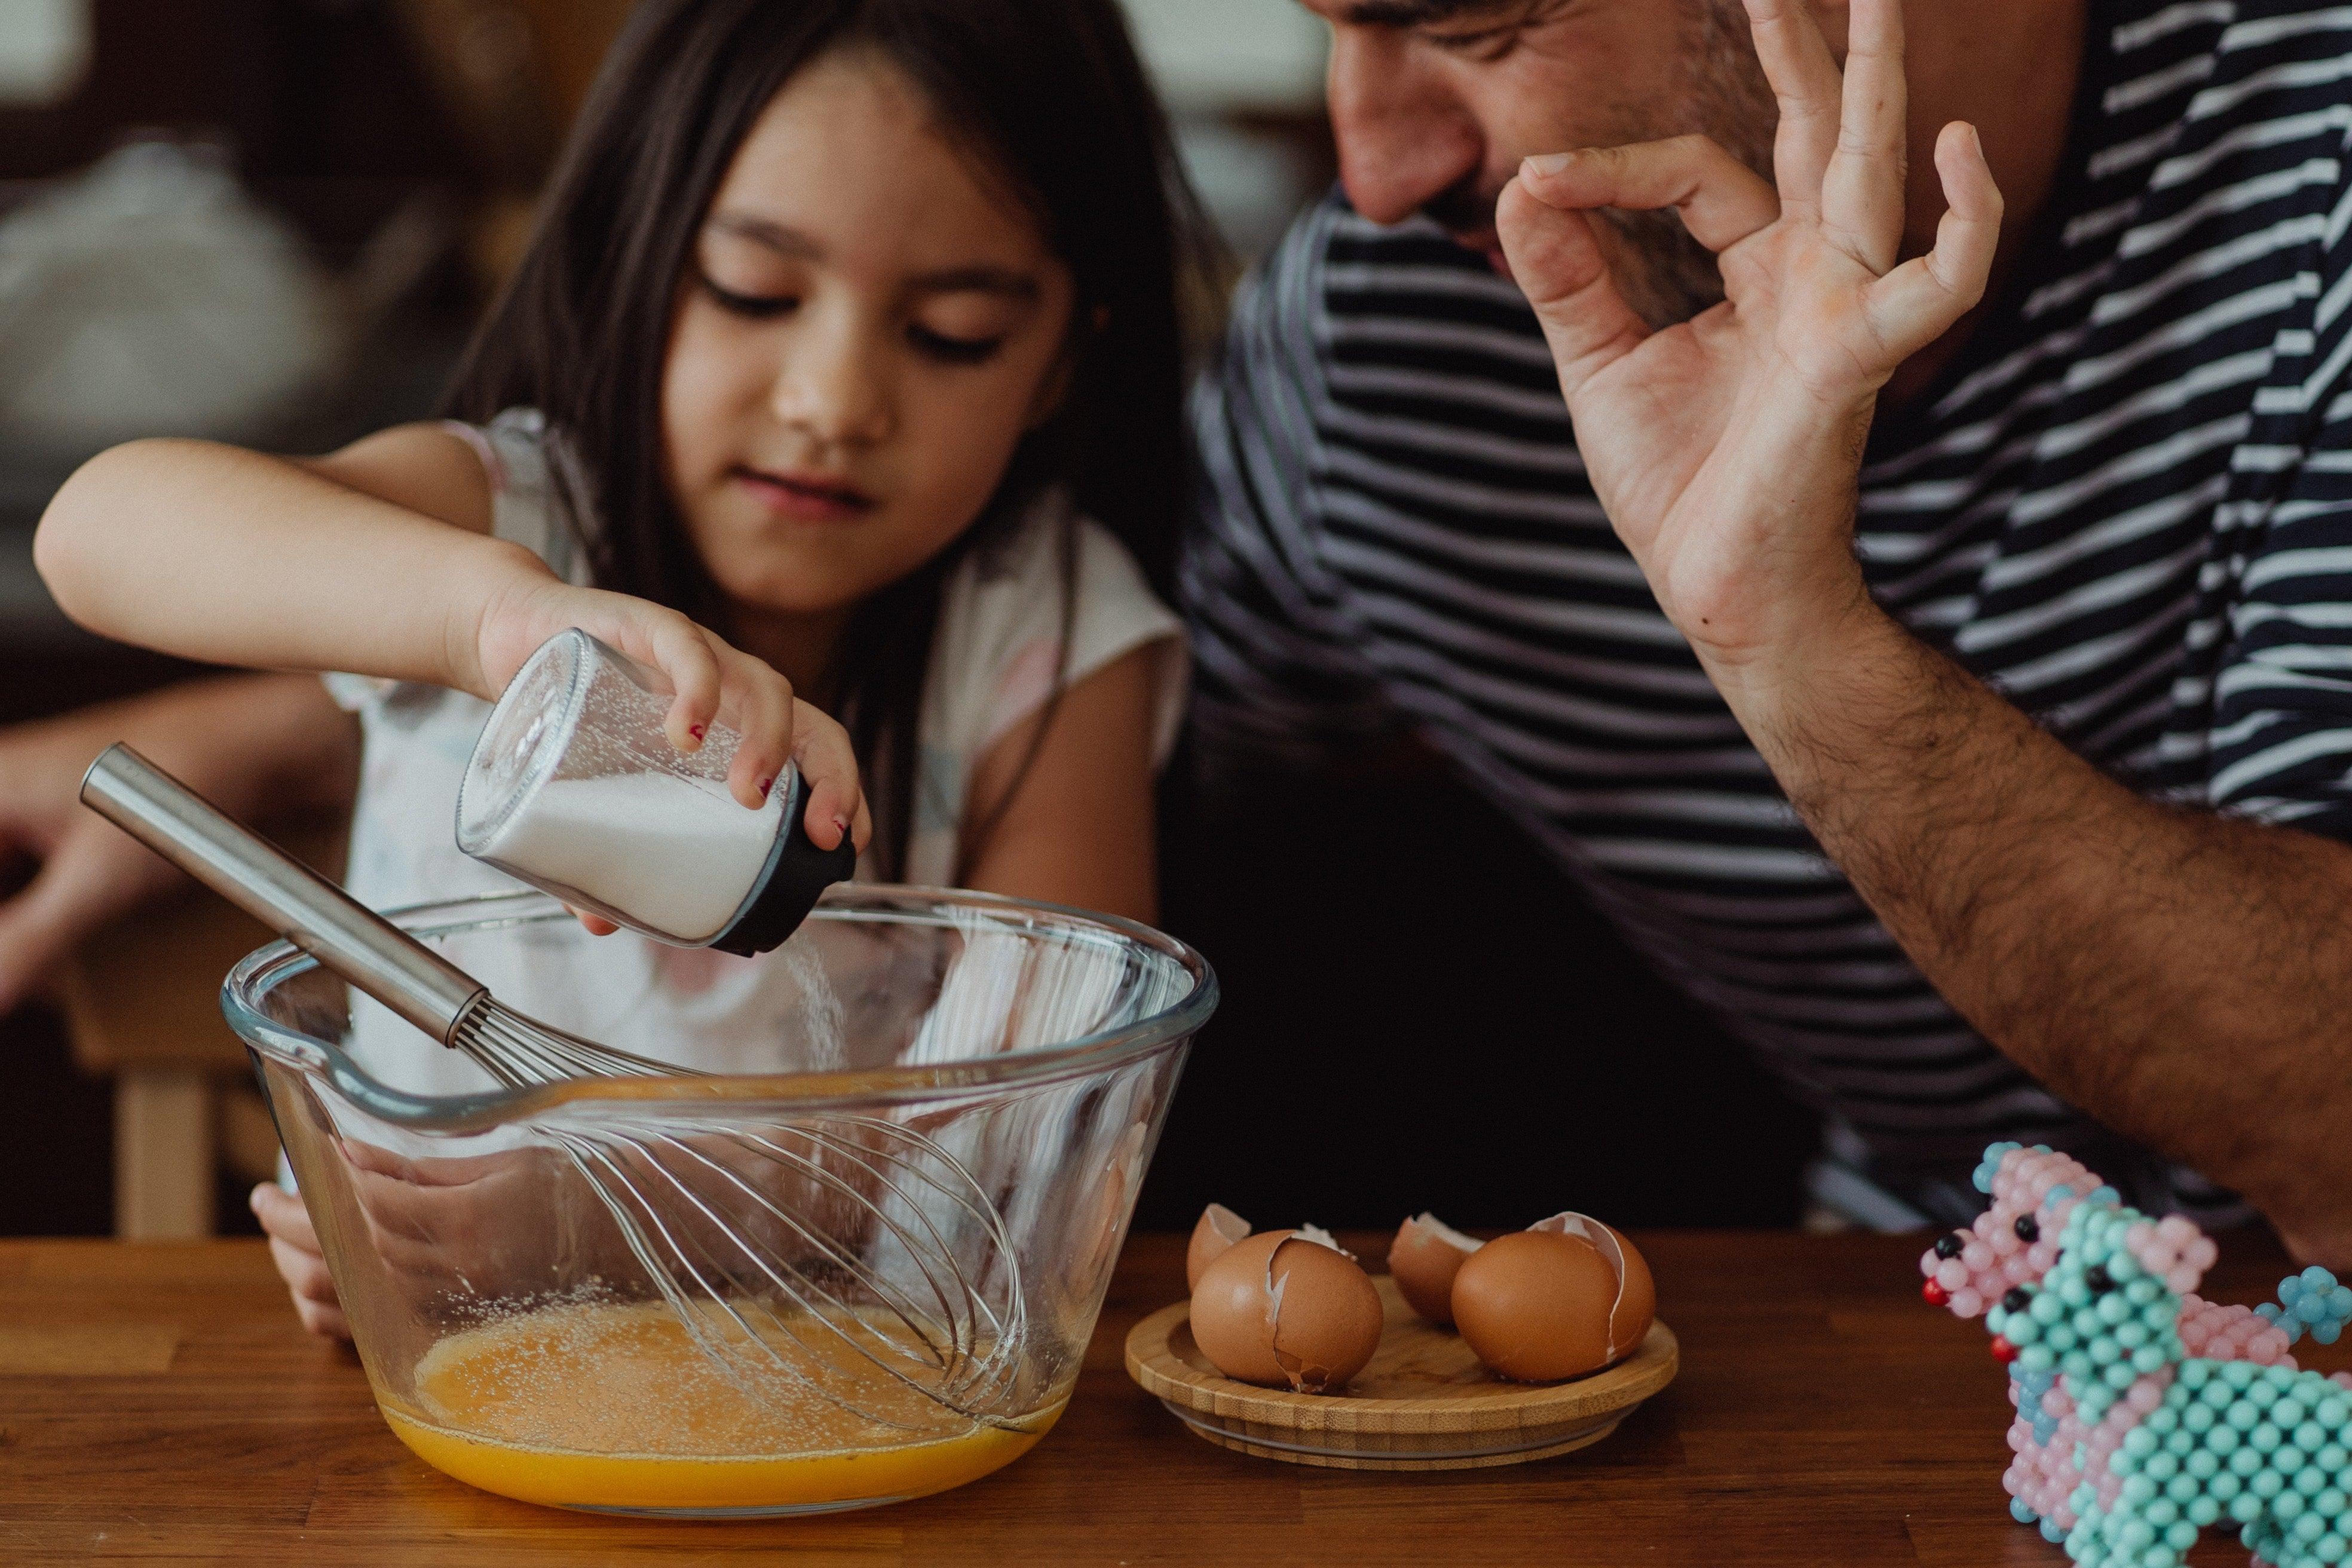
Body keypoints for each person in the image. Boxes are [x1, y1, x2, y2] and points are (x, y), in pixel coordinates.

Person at [29, 0, 1202, 1334]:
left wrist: (600, 1210)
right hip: (466, 1391)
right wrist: (492, 623)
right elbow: (99, 530)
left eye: (952, 333)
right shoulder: (512, 520)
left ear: (1062, 359)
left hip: (831, 1392)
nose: (831, 400)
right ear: (630, 256)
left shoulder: (1048, 639)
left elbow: (1037, 1125)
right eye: (756, 292)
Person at [1186, 0, 2352, 1261]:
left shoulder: (2315, 180)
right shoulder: (1386, 336)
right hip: (1905, 1331)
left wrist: (1797, 643)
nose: (1376, 174)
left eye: (1474, 27)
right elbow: (1091, 815)